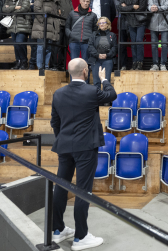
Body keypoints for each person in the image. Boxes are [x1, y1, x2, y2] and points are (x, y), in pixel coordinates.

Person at [50, 59, 117, 251]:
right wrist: (104, 79)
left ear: (69, 72)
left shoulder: (58, 93)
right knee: (83, 189)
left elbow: (55, 122)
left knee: (61, 186)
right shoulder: (91, 91)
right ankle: (81, 237)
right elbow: (111, 95)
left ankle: (57, 229)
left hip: (64, 146)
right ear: (86, 71)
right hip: (86, 147)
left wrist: (63, 139)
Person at [119, 0, 148, 70]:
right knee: (133, 42)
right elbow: (120, 8)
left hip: (140, 21)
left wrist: (127, 7)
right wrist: (132, 7)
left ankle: (140, 62)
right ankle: (134, 62)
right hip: (130, 22)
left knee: (139, 41)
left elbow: (142, 7)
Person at [31, 0, 61, 70]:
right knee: (41, 46)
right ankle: (40, 66)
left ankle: (46, 66)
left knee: (49, 47)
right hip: (42, 25)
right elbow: (37, 9)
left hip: (52, 26)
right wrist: (43, 21)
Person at [2, 0, 32, 70]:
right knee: (16, 45)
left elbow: (25, 8)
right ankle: (18, 62)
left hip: (23, 24)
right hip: (12, 25)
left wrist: (11, 9)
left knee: (20, 43)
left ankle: (24, 62)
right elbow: (4, 9)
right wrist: (15, 7)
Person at [147, 0, 168, 71]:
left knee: (164, 45)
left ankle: (163, 64)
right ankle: (155, 64)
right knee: (154, 45)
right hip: (153, 23)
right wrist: (151, 8)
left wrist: (157, 8)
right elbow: (149, 5)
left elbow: (167, 6)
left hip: (165, 23)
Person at [65, 0, 97, 65]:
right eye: (84, 1)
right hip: (74, 41)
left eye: (87, 1)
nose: (85, 3)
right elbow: (67, 27)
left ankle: (86, 73)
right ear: (80, 1)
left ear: (89, 2)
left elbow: (95, 29)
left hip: (87, 42)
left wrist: (91, 38)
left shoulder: (93, 15)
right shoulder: (72, 13)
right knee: (74, 63)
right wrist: (70, 35)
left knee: (86, 63)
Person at [88, 17, 117, 88]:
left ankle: (106, 95)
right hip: (95, 60)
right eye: (100, 23)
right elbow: (90, 46)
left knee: (106, 81)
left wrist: (107, 55)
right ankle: (97, 95)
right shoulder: (93, 34)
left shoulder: (112, 35)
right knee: (96, 82)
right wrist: (97, 55)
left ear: (108, 24)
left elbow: (115, 47)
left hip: (108, 60)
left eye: (103, 23)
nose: (101, 24)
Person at [52, 0, 73, 71]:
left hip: (67, 24)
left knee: (64, 46)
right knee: (56, 45)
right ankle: (54, 65)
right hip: (58, 23)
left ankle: (61, 65)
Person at [114, 0, 130, 70]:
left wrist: (126, 6)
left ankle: (137, 65)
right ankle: (123, 65)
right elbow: (119, 8)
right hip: (122, 22)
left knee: (136, 43)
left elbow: (136, 7)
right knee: (121, 45)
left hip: (133, 22)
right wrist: (130, 7)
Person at [24, 0, 38, 70]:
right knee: (20, 44)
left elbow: (37, 7)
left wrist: (27, 6)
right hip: (23, 23)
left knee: (34, 45)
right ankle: (23, 62)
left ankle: (32, 63)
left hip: (34, 23)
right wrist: (31, 5)